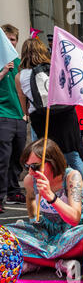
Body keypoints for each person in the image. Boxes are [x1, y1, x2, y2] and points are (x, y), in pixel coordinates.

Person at [15, 38, 83, 200]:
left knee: (42, 160)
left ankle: (44, 199)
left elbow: (25, 109)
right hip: (66, 118)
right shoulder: (58, 69)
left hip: (41, 120)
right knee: (73, 157)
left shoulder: (20, 76)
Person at [6, 138, 83, 280]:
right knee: (4, 237)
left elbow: (75, 218)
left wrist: (51, 197)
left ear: (52, 162)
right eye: (27, 167)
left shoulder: (71, 176)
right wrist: (33, 223)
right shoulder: (30, 180)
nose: (31, 172)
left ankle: (34, 260)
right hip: (46, 233)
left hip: (71, 232)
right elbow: (31, 201)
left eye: (35, 166)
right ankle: (58, 263)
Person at [0, 24, 27, 211]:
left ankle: (12, 190)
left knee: (18, 157)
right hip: (2, 114)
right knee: (3, 157)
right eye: (7, 40)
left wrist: (26, 113)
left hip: (19, 115)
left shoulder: (19, 62)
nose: (11, 43)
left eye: (13, 40)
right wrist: (2, 72)